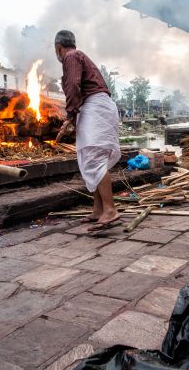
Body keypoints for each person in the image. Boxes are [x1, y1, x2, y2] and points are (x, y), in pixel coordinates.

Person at [54, 30, 121, 231]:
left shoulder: (71, 56)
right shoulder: (77, 56)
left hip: (95, 107)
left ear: (58, 47)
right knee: (91, 158)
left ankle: (110, 209)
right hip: (95, 107)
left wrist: (70, 115)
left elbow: (74, 86)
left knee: (93, 157)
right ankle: (98, 208)